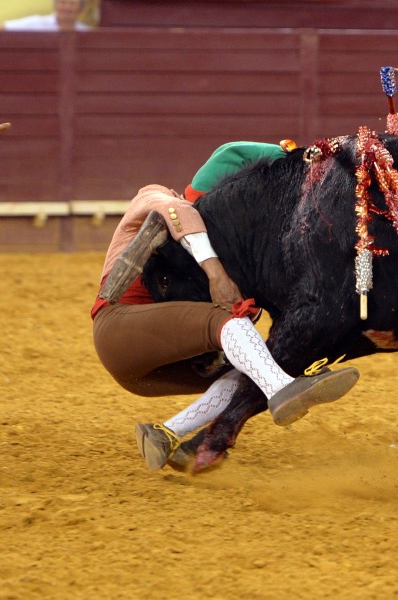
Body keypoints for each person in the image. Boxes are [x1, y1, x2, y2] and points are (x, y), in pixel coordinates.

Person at [94, 142, 360, 471]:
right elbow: (180, 213)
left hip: (153, 370)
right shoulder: (156, 196)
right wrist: (216, 274)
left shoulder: (235, 254)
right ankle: (281, 387)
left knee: (252, 367)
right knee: (225, 323)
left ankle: (166, 434)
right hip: (117, 327)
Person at [1, 0, 91, 31]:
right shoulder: (36, 23)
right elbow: (3, 27)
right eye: (62, 3)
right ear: (55, 6)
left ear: (82, 9)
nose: (67, 7)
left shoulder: (85, 31)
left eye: (72, 3)